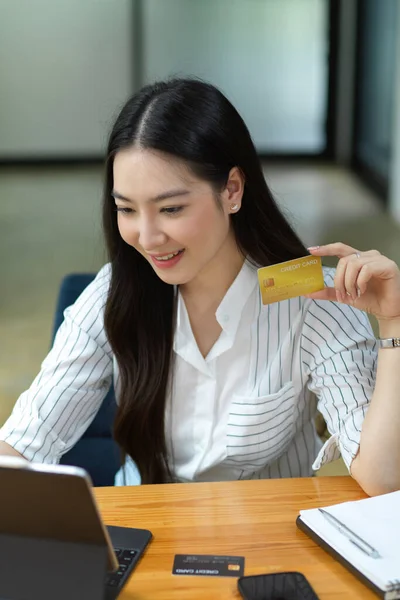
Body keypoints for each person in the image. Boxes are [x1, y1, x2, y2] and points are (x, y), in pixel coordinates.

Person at [1, 78, 400, 497]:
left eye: (171, 208)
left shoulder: (311, 298)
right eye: (126, 209)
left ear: (231, 190)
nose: (147, 237)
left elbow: (384, 479)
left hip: (270, 537)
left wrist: (393, 324)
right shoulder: (115, 293)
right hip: (148, 531)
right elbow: (25, 443)